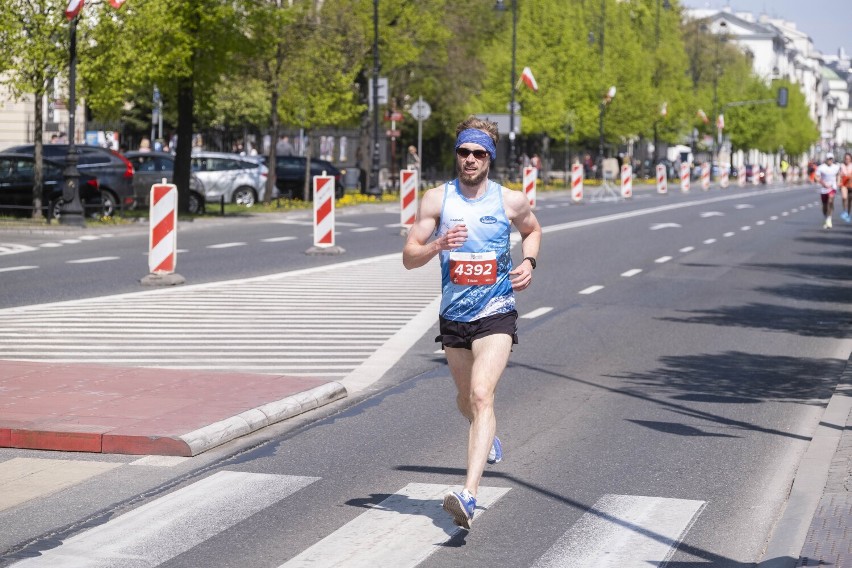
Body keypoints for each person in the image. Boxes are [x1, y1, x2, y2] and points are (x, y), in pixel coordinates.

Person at [402, 116, 542, 530]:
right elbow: (409, 257)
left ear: (490, 158)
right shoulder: (436, 200)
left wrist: (529, 261)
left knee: (482, 395)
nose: (469, 159)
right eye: (464, 152)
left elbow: (533, 230)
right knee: (466, 400)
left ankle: (469, 494)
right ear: (457, 154)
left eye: (478, 153)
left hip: (496, 311)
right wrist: (438, 245)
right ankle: (489, 437)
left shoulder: (509, 200)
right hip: (453, 316)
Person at [816, 153, 841, 229]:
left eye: (831, 159)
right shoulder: (821, 167)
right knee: (824, 206)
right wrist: (823, 183)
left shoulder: (836, 167)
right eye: (828, 159)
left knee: (830, 201)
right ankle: (826, 218)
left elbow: (838, 174)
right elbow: (816, 177)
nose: (830, 160)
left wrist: (838, 182)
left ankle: (829, 218)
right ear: (826, 159)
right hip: (824, 188)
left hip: (832, 187)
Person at [839, 153, 852, 223]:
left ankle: (848, 213)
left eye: (848, 159)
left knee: (850, 200)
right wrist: (838, 182)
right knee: (844, 197)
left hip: (851, 184)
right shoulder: (842, 166)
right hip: (844, 184)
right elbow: (839, 175)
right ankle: (845, 211)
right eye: (846, 158)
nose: (847, 160)